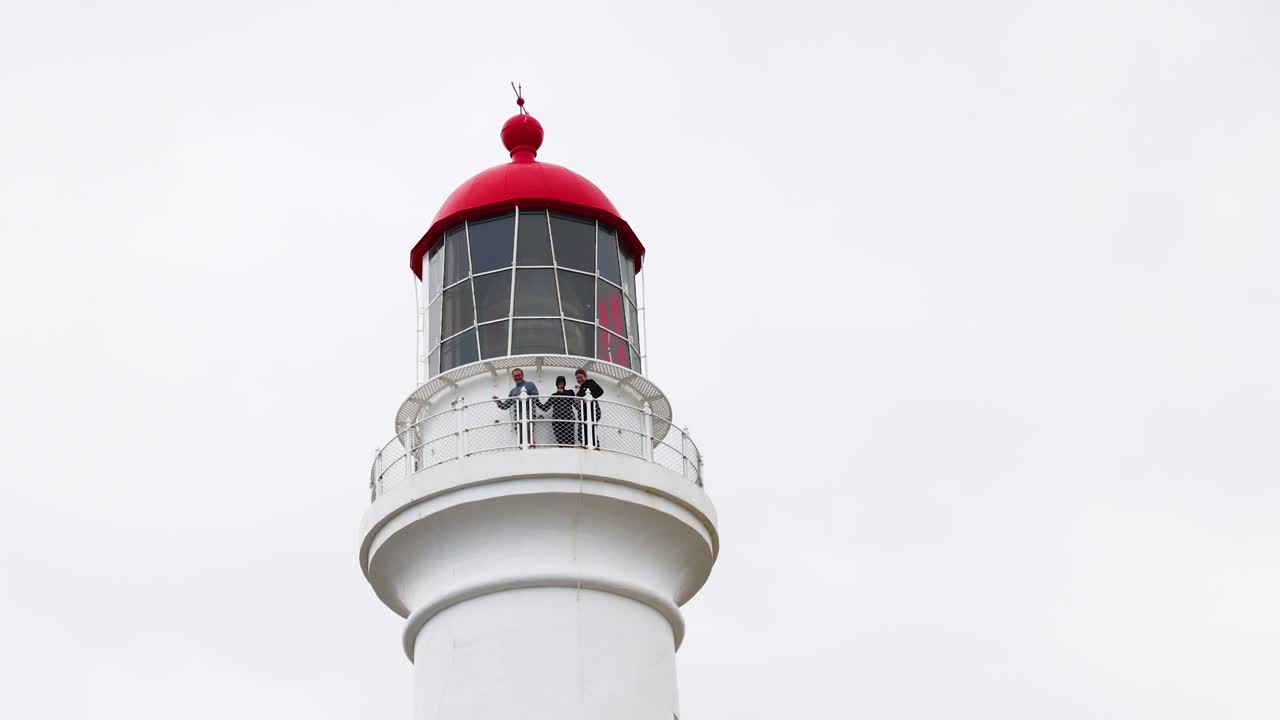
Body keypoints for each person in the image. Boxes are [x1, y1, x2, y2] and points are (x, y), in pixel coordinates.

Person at [493, 368, 540, 445]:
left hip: (528, 413)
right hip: (517, 416)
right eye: (515, 376)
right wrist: (498, 401)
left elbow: (535, 397)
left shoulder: (530, 385)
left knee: (529, 433)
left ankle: (531, 448)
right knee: (520, 436)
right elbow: (505, 406)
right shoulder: (513, 391)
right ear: (513, 377)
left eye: (519, 375)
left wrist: (522, 398)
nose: (517, 377)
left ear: (522, 375)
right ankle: (522, 450)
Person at [537, 376, 577, 446]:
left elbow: (572, 402)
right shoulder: (554, 396)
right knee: (560, 441)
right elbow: (545, 408)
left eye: (562, 382)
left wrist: (562, 393)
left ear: (565, 384)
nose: (560, 384)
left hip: (568, 420)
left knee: (570, 440)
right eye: (559, 382)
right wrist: (536, 401)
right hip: (557, 421)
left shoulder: (570, 392)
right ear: (556, 384)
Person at [574, 369, 604, 447]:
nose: (579, 379)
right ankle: (586, 445)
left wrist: (589, 397)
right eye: (577, 378)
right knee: (581, 433)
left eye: (581, 377)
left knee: (591, 431)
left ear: (585, 376)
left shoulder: (590, 382)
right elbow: (579, 406)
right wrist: (576, 402)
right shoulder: (580, 390)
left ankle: (595, 446)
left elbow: (600, 391)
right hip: (584, 414)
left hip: (592, 412)